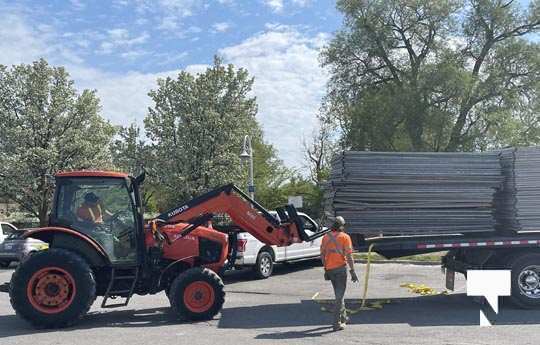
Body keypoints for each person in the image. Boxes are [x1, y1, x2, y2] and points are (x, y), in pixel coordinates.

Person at [320, 216, 358, 331]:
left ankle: (344, 317)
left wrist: (326, 268)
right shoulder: (345, 237)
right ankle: (336, 324)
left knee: (338, 294)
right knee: (339, 297)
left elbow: (322, 255)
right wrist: (352, 271)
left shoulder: (325, 237)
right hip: (340, 270)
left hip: (330, 270)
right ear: (341, 226)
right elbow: (349, 256)